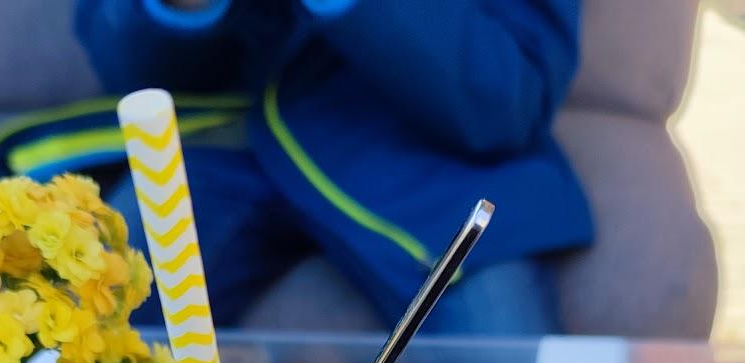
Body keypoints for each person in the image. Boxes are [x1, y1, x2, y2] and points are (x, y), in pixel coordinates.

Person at [67, 0, 593, 334]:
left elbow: (506, 99)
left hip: (438, 165)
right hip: (222, 145)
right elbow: (123, 64)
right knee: (71, 343)